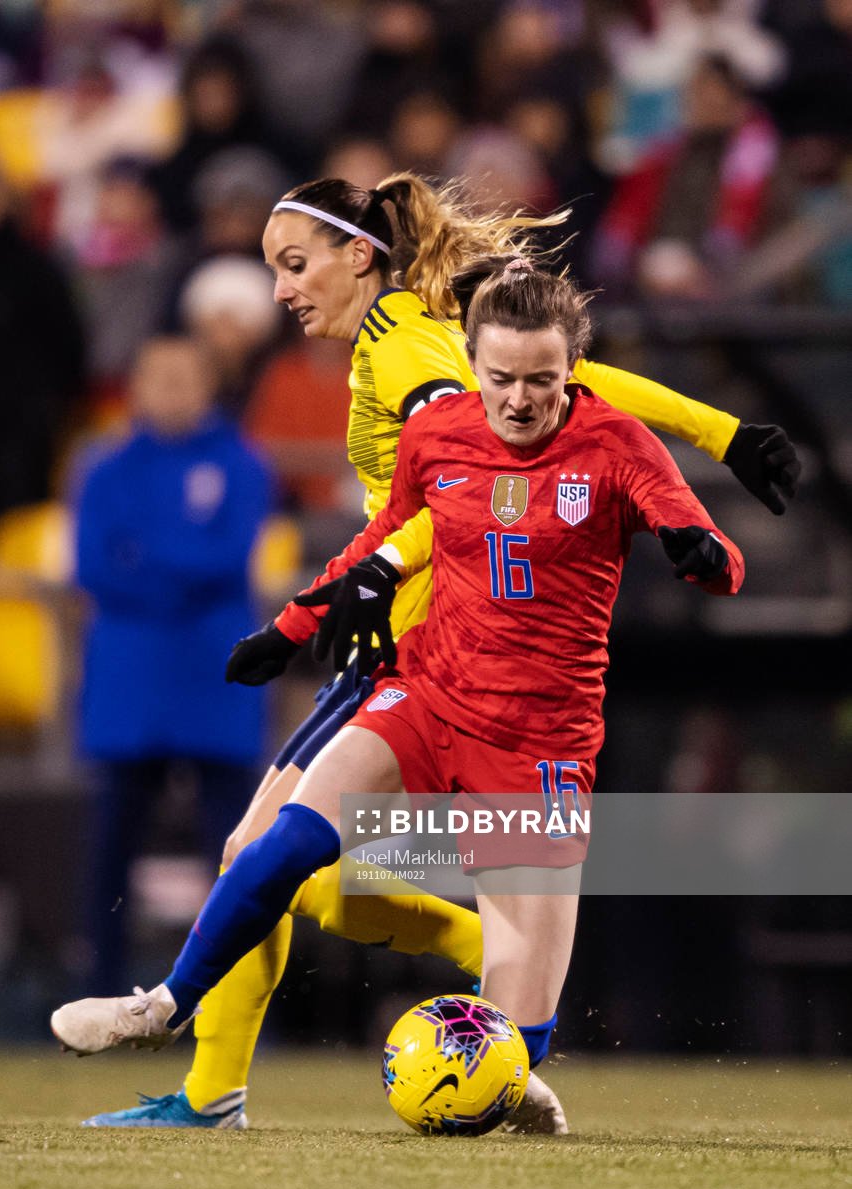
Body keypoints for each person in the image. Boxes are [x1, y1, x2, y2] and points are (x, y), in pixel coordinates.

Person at [67, 172, 797, 1132]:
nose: (283, 290)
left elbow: (544, 407)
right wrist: (303, 616)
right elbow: (499, 424)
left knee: (271, 854)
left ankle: (241, 1077)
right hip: (419, 644)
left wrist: (711, 457)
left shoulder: (417, 354)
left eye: (294, 264)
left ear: (356, 255)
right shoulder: (416, 345)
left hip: (435, 639)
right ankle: (205, 1068)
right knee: (275, 853)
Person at [74, 335, 271, 993]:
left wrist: (145, 557)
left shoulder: (241, 464)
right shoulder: (101, 466)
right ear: (133, 384)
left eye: (184, 378)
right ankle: (100, 990)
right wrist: (180, 564)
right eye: (156, 377)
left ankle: (237, 1005)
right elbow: (93, 567)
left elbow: (230, 558)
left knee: (238, 849)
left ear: (209, 385)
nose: (170, 391)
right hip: (132, 682)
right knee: (109, 851)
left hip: (213, 676)